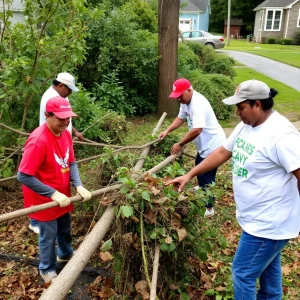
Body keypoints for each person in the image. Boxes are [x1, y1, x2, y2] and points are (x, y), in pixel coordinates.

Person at [166, 79, 300, 299]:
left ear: (258, 104)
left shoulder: (281, 135)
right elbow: (221, 153)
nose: (237, 112)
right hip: (256, 219)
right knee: (268, 274)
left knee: (243, 273)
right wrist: (189, 175)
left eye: (241, 107)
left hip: (269, 223)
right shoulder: (247, 125)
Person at [17, 96, 92, 283]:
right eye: (60, 118)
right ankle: (47, 268)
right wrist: (52, 193)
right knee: (48, 236)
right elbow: (23, 176)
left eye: (68, 117)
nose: (66, 121)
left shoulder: (65, 133)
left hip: (62, 194)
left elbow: (71, 161)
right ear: (47, 116)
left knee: (65, 228)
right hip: (43, 199)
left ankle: (66, 254)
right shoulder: (38, 141)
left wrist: (79, 185)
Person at [159, 78, 226, 217]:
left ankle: (209, 208)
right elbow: (180, 118)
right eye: (176, 97)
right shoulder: (185, 102)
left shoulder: (198, 104)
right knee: (198, 165)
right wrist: (167, 130)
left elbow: (197, 130)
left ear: (189, 90)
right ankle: (201, 187)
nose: (178, 100)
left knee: (206, 175)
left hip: (213, 144)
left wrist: (180, 144)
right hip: (204, 145)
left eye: (180, 96)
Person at [29, 72, 84, 234]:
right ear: (61, 85)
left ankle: (51, 219)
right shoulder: (49, 98)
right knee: (43, 178)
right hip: (49, 143)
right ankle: (36, 219)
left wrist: (74, 132)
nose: (70, 93)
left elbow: (65, 119)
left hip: (61, 140)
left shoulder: (61, 97)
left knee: (58, 178)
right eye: (69, 89)